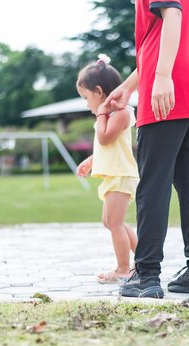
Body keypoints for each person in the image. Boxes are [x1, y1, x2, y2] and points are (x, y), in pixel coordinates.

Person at [103, 0, 189, 298]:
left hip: (170, 87)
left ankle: (147, 274)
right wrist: (130, 86)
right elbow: (160, 34)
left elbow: (172, 15)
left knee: (153, 185)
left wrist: (162, 76)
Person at [76, 55, 139, 284]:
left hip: (121, 176)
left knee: (115, 223)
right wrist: (91, 161)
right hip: (115, 175)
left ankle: (123, 269)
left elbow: (104, 138)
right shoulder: (108, 116)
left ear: (99, 92)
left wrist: (101, 112)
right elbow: (106, 147)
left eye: (86, 98)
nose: (86, 104)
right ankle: (143, 260)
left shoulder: (120, 113)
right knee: (112, 222)